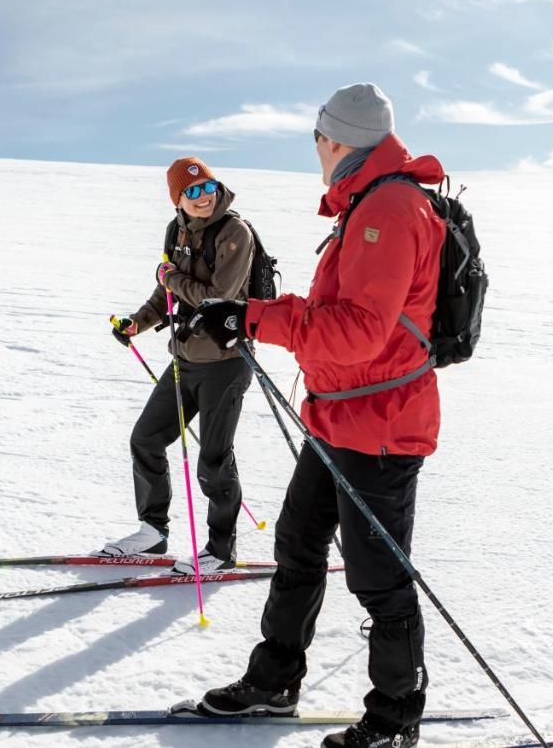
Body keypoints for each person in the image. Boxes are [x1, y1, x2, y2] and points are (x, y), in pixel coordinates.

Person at [188, 83, 446, 747]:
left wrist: (251, 317)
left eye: (317, 139)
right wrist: (247, 313)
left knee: (379, 576)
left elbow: (358, 331)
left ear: (337, 141)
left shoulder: (388, 209)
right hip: (340, 418)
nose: (316, 152)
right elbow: (343, 310)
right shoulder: (368, 204)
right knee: (298, 544)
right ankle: (274, 681)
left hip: (381, 425)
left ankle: (395, 717)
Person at [102, 157, 256, 575]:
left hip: (226, 363)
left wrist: (170, 278)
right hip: (185, 361)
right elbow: (165, 294)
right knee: (146, 439)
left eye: (207, 187)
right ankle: (153, 532)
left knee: (213, 458)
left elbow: (218, 295)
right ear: (178, 199)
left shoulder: (234, 233)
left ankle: (221, 550)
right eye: (191, 192)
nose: (203, 197)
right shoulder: (177, 231)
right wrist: (137, 323)